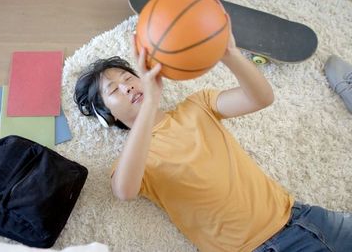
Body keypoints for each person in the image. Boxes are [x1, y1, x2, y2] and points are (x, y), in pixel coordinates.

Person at [73, 18, 352, 252]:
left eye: (129, 79)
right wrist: (150, 105)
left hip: (303, 217)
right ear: (106, 116)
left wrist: (229, 54)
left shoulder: (197, 105)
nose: (127, 88)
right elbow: (124, 191)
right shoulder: (132, 160)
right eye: (113, 90)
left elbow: (262, 98)